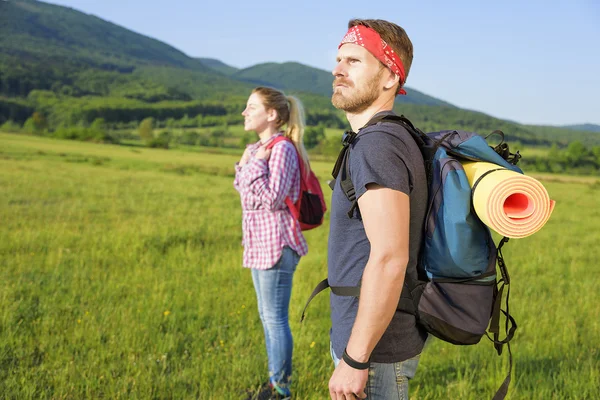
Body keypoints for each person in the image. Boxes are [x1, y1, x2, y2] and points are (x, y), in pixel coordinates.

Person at [327, 19, 428, 399]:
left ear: (390, 78)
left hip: (375, 350)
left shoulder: (377, 145)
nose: (337, 69)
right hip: (371, 339)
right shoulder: (387, 137)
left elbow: (389, 257)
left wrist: (354, 360)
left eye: (354, 61)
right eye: (338, 59)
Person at [234, 86, 310, 400]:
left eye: (251, 106)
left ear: (272, 115)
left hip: (277, 245)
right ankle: (273, 383)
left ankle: (280, 389)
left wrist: (251, 167)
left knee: (275, 318)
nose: (244, 112)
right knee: (267, 317)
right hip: (258, 244)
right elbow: (242, 190)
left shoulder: (282, 150)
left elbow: (271, 197)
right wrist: (251, 165)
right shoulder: (256, 149)